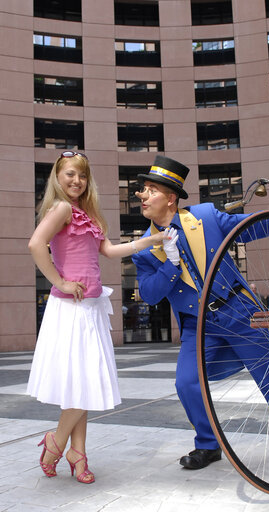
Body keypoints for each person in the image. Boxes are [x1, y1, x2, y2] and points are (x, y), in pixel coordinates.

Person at [132, 155, 269, 470]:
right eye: (142, 189)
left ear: (170, 198)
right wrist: (170, 263)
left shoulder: (205, 217)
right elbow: (150, 294)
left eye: (151, 190)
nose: (141, 195)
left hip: (239, 311)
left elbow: (249, 227)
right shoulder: (144, 247)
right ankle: (209, 445)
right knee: (186, 383)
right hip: (199, 326)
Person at [27, 151, 169, 483]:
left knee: (83, 381)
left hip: (90, 305)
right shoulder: (61, 208)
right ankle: (57, 442)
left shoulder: (85, 213)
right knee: (86, 380)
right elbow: (36, 244)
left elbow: (109, 252)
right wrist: (59, 281)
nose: (76, 181)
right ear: (58, 178)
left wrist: (149, 240)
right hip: (71, 307)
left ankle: (78, 454)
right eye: (70, 174)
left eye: (82, 176)